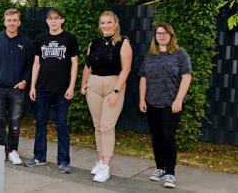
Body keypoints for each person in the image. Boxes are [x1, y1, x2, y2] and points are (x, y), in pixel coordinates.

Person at [80, 10, 132, 182]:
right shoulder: (94, 43)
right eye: (103, 22)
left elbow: (126, 69)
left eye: (109, 22)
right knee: (97, 126)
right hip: (94, 86)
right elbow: (88, 65)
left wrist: (117, 91)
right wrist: (83, 84)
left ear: (115, 24)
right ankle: (101, 161)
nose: (106, 25)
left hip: (113, 85)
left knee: (107, 127)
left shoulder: (123, 42)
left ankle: (107, 167)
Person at [25, 8, 78, 174]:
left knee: (61, 125)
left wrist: (71, 86)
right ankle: (39, 157)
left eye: (57, 18)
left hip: (62, 91)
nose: (53, 21)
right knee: (41, 124)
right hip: (42, 89)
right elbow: (36, 64)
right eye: (50, 18)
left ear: (62, 20)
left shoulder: (70, 38)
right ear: (46, 21)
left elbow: (75, 64)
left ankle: (63, 161)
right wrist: (32, 86)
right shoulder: (40, 39)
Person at [139, 23, 192, 188]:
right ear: (155, 36)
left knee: (168, 137)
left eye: (165, 33)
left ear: (171, 35)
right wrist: (142, 99)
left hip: (171, 104)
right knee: (156, 138)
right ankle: (160, 168)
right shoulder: (150, 54)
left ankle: (170, 173)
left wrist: (178, 99)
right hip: (152, 102)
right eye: (158, 33)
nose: (161, 36)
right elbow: (143, 77)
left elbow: (186, 77)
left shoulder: (180, 54)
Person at [0, 8, 33, 165]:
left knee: (15, 121)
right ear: (5, 22)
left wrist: (25, 81)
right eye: (9, 20)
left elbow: (31, 65)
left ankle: (12, 151)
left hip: (16, 90)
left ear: (19, 22)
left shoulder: (26, 42)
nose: (12, 23)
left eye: (15, 20)